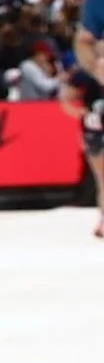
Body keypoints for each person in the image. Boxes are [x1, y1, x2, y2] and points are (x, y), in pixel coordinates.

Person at [60, 59, 104, 240]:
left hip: (93, 133)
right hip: (94, 134)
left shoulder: (84, 75)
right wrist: (81, 113)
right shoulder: (84, 76)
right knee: (102, 180)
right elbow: (66, 100)